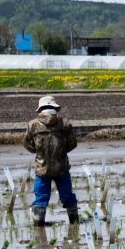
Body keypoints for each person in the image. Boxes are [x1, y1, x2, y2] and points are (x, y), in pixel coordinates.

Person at [22, 96, 79, 227]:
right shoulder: (65, 124)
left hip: (42, 169)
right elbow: (73, 143)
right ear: (55, 108)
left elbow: (26, 143)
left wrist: (38, 152)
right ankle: (75, 224)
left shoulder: (33, 125)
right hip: (62, 168)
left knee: (40, 198)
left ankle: (38, 227)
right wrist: (61, 152)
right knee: (68, 197)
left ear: (40, 109)